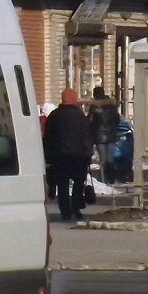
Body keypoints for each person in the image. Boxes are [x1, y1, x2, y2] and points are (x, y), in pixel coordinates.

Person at [43, 88, 93, 221]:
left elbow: (48, 137)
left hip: (59, 157)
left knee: (62, 184)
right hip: (78, 156)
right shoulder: (80, 117)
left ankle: (65, 211)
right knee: (78, 184)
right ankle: (76, 208)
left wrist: (48, 156)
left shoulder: (54, 116)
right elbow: (87, 137)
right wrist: (88, 154)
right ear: (74, 99)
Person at [89, 86, 121, 183]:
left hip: (99, 136)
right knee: (110, 158)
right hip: (111, 134)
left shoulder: (94, 106)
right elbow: (117, 120)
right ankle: (111, 178)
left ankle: (103, 179)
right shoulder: (111, 105)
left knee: (103, 159)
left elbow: (90, 120)